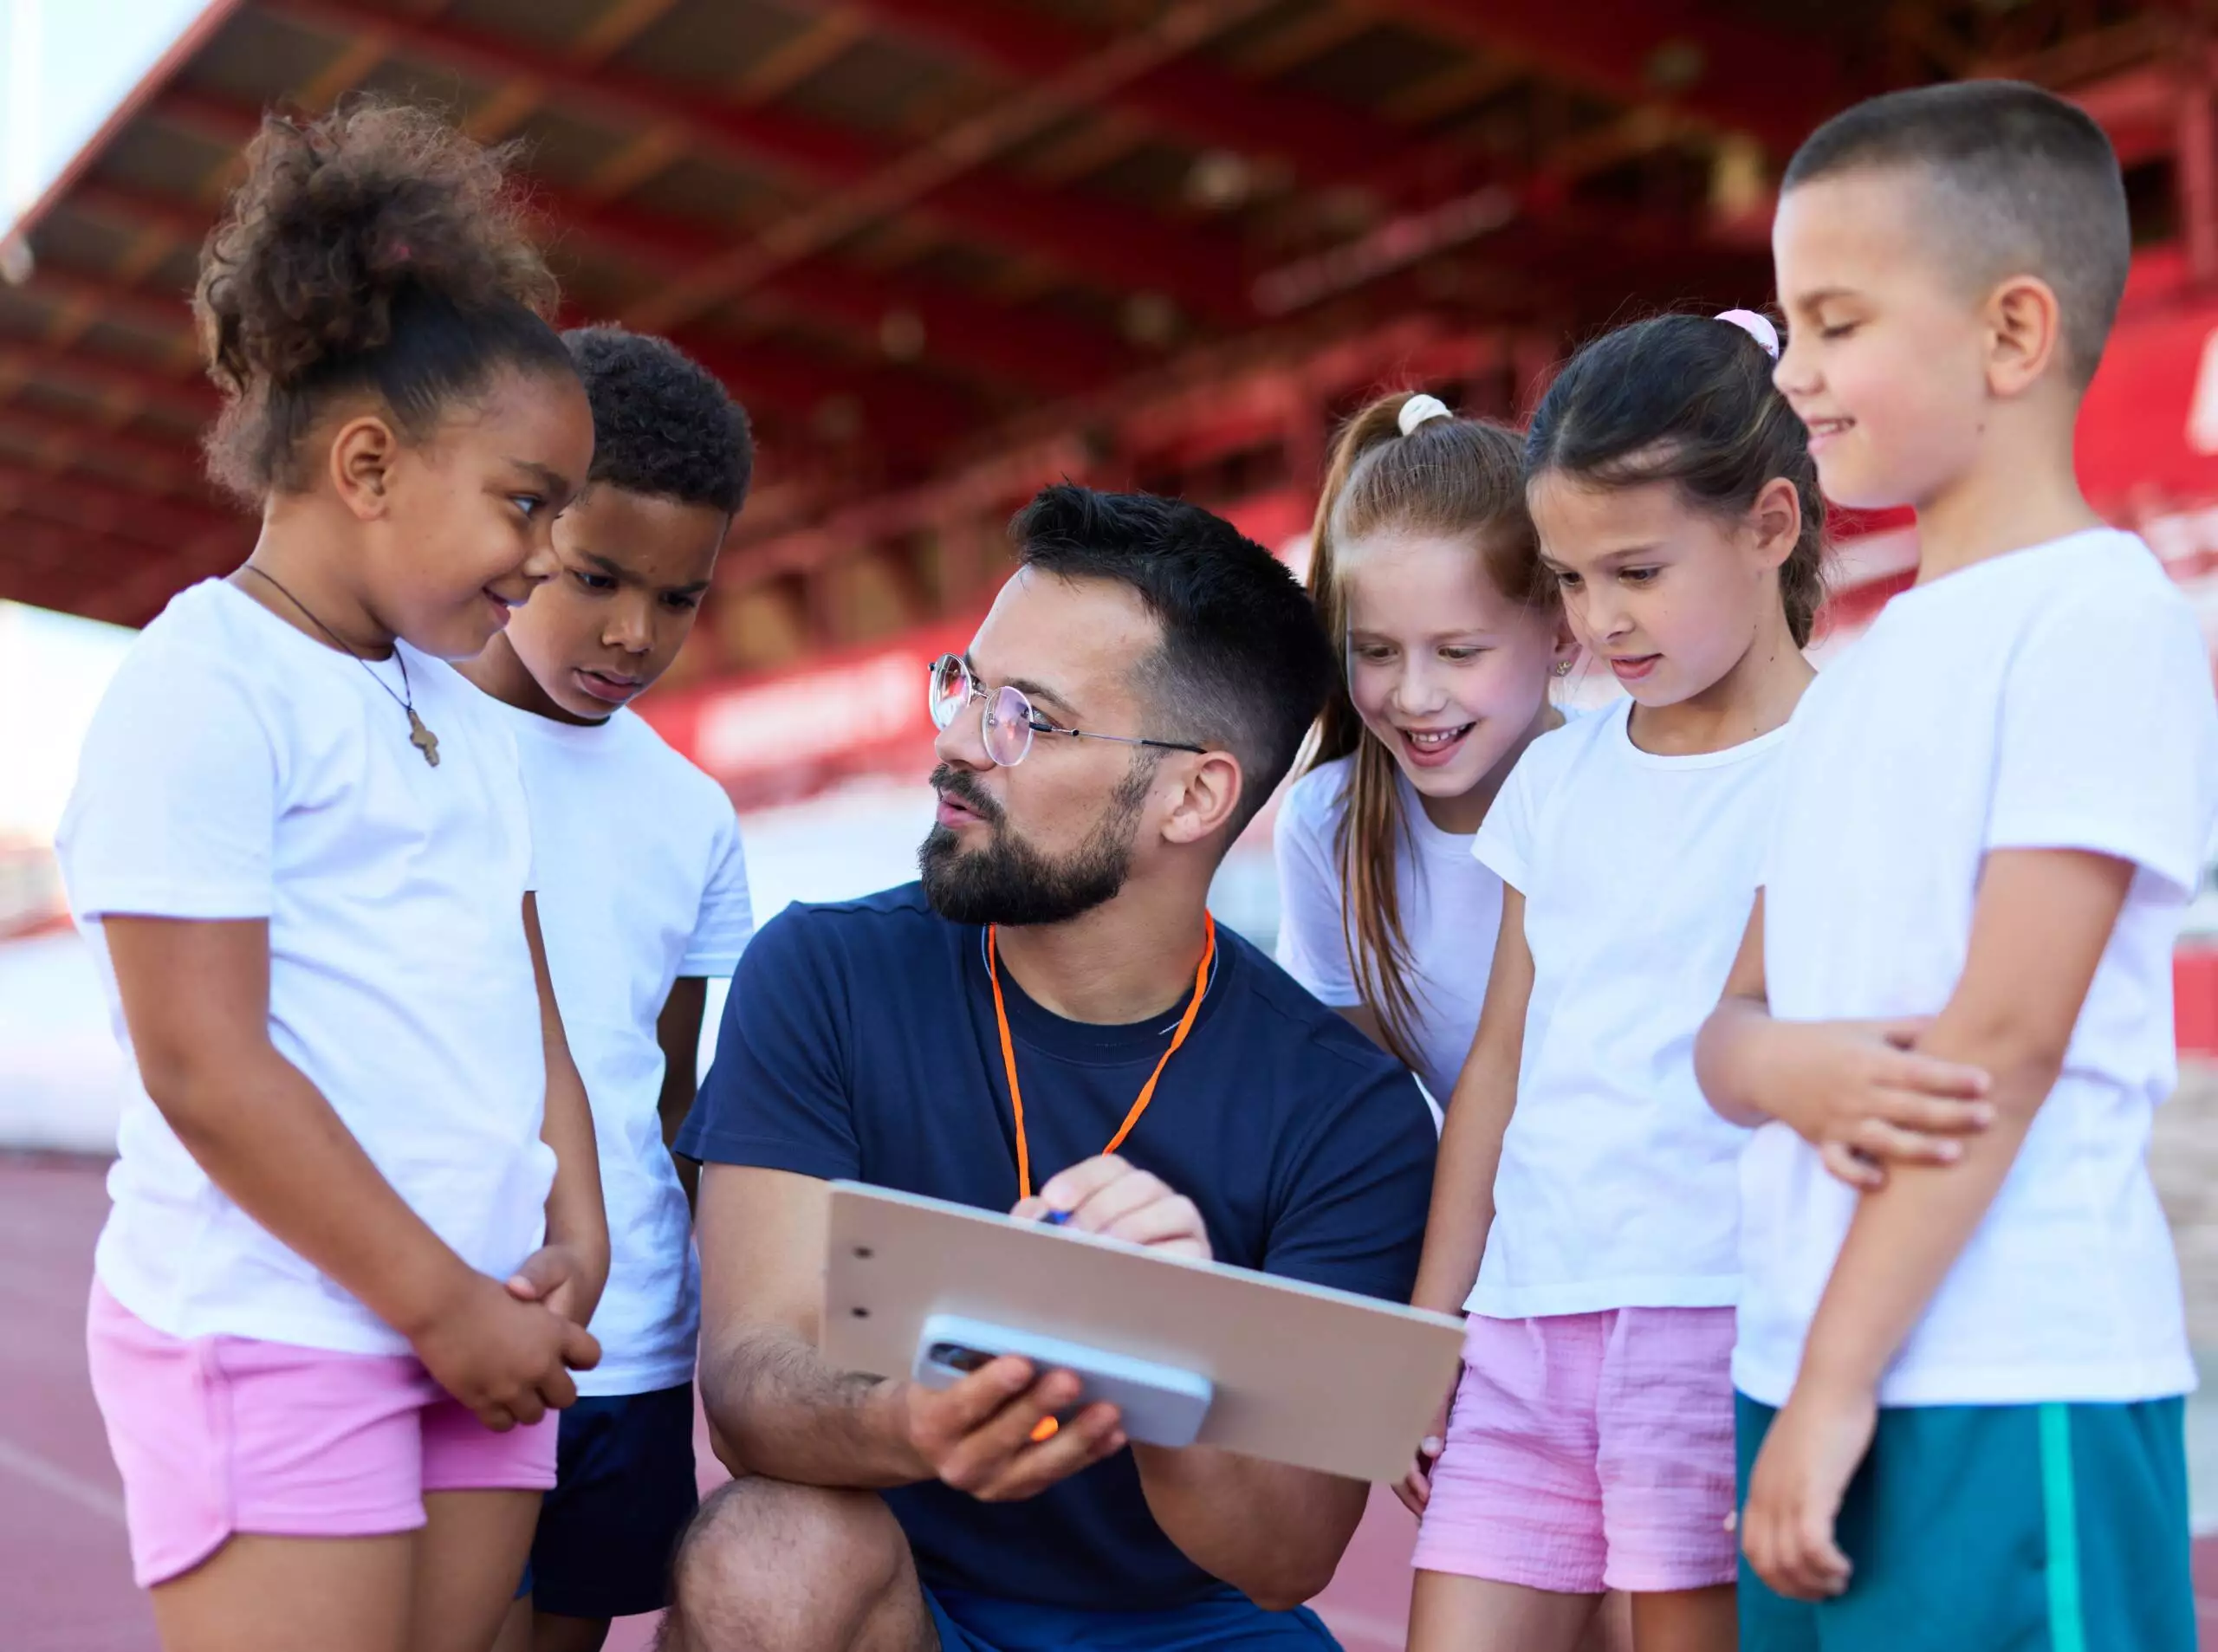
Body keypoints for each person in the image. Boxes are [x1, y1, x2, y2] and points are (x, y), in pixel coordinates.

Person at [660, 484, 1437, 1652]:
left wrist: (1163, 1354)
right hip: (910, 1599)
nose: (959, 741)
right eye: (966, 683)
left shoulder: (1350, 1109)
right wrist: (923, 1421)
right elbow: (748, 1385)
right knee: (765, 1549)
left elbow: (1289, 1555)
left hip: (1197, 1624)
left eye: (1030, 715)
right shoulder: (822, 971)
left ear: (1194, 793)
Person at [54, 102, 608, 1652]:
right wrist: (436, 1303)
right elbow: (204, 1064)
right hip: (282, 1326)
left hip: (490, 1319)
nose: (550, 554)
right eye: (525, 501)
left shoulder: (457, 708)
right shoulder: (206, 689)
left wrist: (580, 1213)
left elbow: (526, 1000)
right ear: (367, 463)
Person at [1697, 81, 2218, 1652]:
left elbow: (2006, 1038)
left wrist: (1840, 1389)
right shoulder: (1860, 662)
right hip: (1804, 1364)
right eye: (1790, 324)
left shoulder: (2097, 618)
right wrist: (1780, 1065)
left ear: (2010, 334)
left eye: (1837, 323)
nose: (1793, 374)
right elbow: (1731, 1027)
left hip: (2003, 1373)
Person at [1404, 311, 1826, 1652]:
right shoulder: (1561, 776)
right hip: (1525, 1326)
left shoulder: (1846, 754)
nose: (1598, 619)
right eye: (1571, 579)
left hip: (1720, 1315)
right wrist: (1432, 1321)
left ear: (1770, 525)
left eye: (1636, 570)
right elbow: (1505, 1060)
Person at [464, 326, 755, 1652]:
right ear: (522, 524)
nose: (635, 632)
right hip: (446, 1301)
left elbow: (674, 1087)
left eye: (681, 597)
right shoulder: (400, 735)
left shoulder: (692, 814)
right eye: (596, 577)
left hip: (625, 1343)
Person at [1274, 391, 1575, 1109]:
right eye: (1375, 651)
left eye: (1458, 651)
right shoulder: (1329, 826)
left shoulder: (1619, 787)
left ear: (1562, 634)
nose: (1413, 695)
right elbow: (1366, 1111)